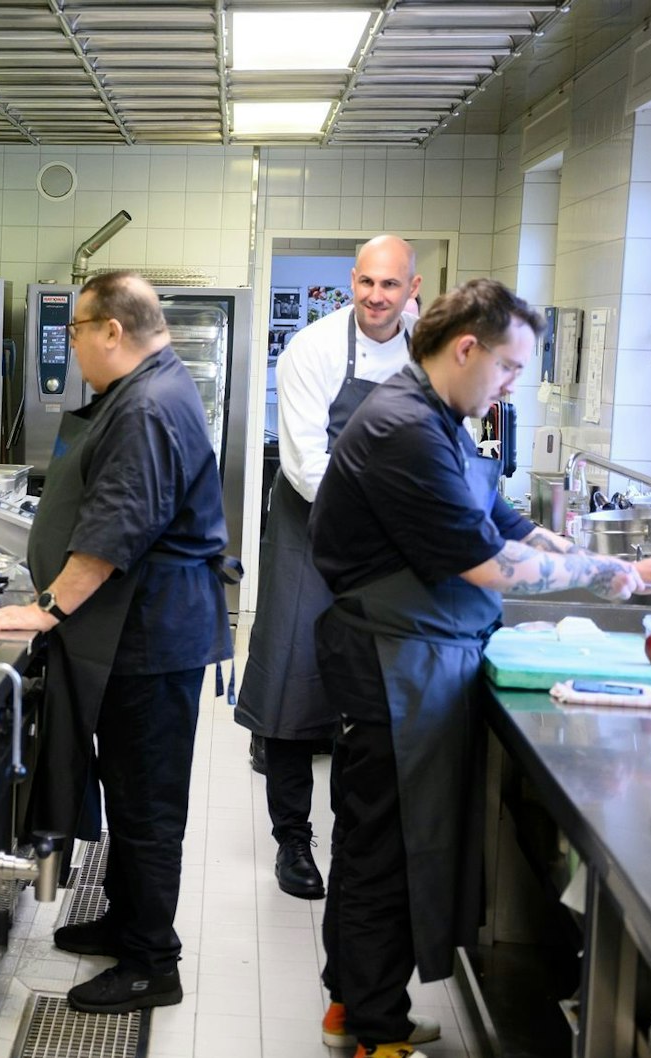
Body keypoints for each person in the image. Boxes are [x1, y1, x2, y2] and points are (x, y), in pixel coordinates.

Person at [309, 279, 651, 1058]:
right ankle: (375, 1034)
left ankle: (354, 1007)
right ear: (465, 349)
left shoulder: (436, 414)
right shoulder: (403, 427)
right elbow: (489, 564)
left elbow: (495, 515)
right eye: (511, 368)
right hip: (392, 661)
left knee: (370, 839)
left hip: (407, 652)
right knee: (386, 846)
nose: (514, 383)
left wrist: (580, 553)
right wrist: (609, 575)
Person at [0, 271, 232, 1015]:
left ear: (110, 331)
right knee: (128, 787)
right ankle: (128, 920)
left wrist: (47, 609)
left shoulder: (148, 405)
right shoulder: (149, 387)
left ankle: (154, 961)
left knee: (149, 802)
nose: (72, 348)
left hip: (151, 633)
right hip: (139, 625)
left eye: (76, 332)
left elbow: (114, 535)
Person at [237, 235, 421, 901]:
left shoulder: (428, 349)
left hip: (389, 541)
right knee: (294, 680)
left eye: (390, 285)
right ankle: (293, 839)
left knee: (370, 691)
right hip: (309, 531)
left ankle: (360, 840)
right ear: (352, 280)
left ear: (412, 287)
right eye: (366, 283)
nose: (376, 297)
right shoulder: (311, 349)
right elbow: (306, 466)